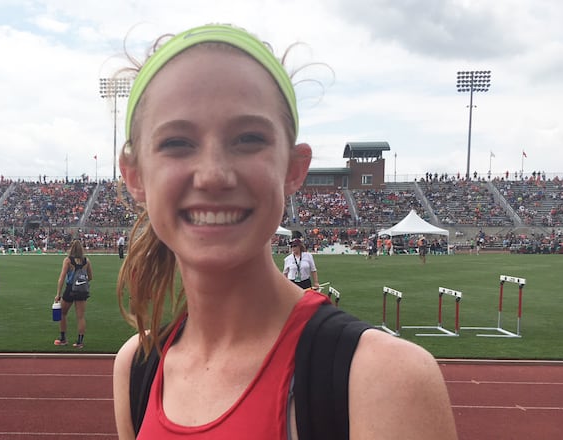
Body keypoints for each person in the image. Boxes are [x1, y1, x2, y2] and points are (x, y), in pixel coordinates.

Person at [111, 24, 457, 439]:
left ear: (294, 168)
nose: (214, 175)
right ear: (134, 176)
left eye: (249, 138)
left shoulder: (382, 380)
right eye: (176, 143)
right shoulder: (136, 368)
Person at [53, 239, 92, 349]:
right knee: (80, 317)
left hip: (70, 289)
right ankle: (79, 342)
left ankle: (63, 339)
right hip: (82, 290)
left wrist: (58, 294)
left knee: (62, 313)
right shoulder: (86, 261)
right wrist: (81, 281)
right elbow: (91, 277)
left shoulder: (68, 261)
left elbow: (61, 278)